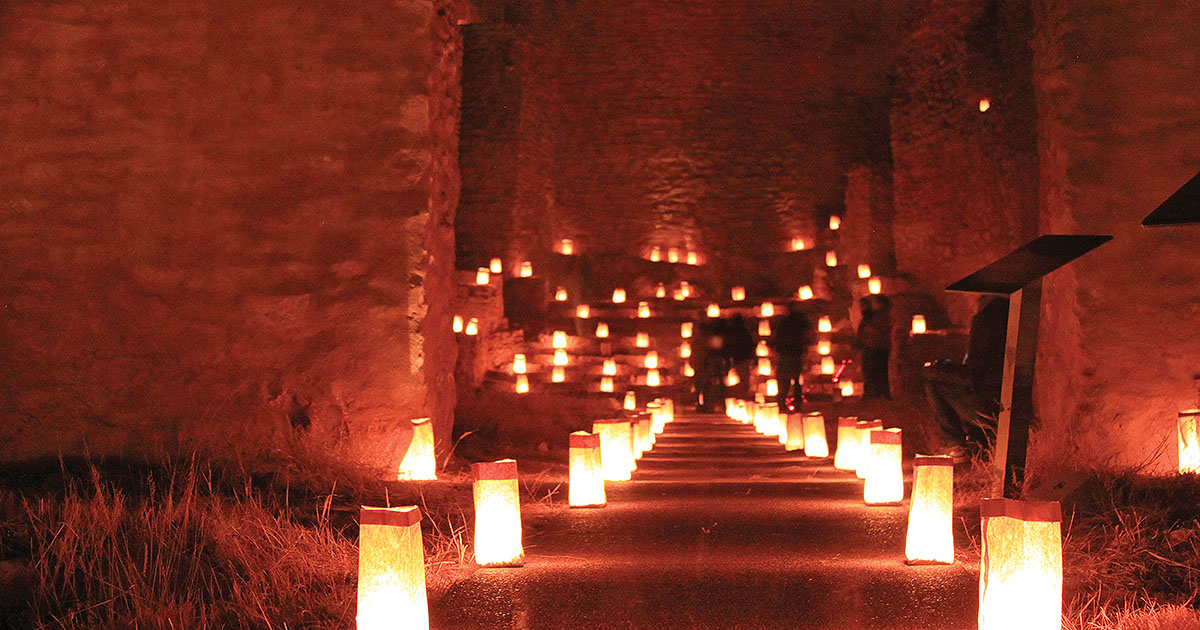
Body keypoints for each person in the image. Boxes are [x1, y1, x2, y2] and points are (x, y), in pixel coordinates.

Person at [924, 296, 1008, 456]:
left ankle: (954, 445)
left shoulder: (986, 320)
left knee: (934, 383)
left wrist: (937, 371)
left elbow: (972, 375)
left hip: (992, 410)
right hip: (1000, 403)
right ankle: (975, 441)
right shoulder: (1007, 313)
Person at [771, 305, 812, 409]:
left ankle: (782, 402)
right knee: (796, 380)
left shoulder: (784, 323)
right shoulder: (799, 323)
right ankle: (797, 403)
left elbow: (778, 338)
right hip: (795, 354)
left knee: (784, 380)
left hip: (786, 354)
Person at [856, 295, 893, 399]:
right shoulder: (872, 316)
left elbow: (878, 329)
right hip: (872, 346)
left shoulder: (881, 316)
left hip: (877, 347)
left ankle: (878, 393)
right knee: (872, 371)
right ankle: (875, 393)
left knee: (877, 371)